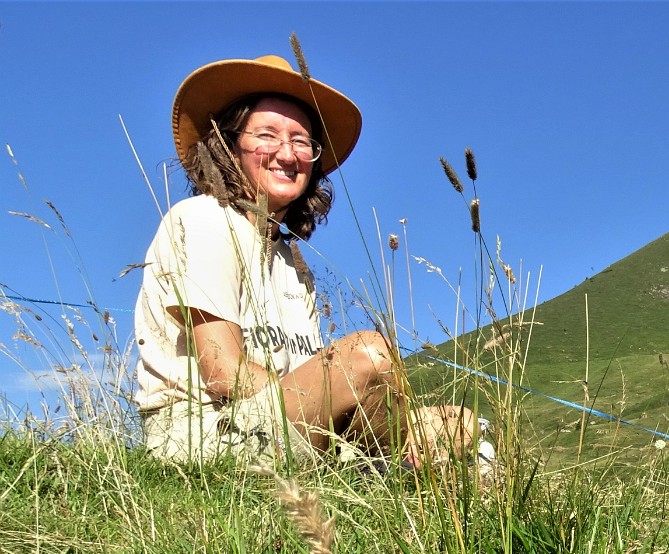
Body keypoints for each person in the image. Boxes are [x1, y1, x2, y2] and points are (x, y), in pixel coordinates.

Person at [134, 54, 482, 470]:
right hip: (206, 436)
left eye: (301, 141)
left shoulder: (290, 262)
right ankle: (414, 475)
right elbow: (223, 372)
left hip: (282, 429)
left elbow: (310, 377)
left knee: (459, 421)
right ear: (228, 144)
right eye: (267, 135)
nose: (287, 153)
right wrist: (353, 395)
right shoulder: (203, 219)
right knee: (369, 353)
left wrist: (359, 407)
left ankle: (410, 472)